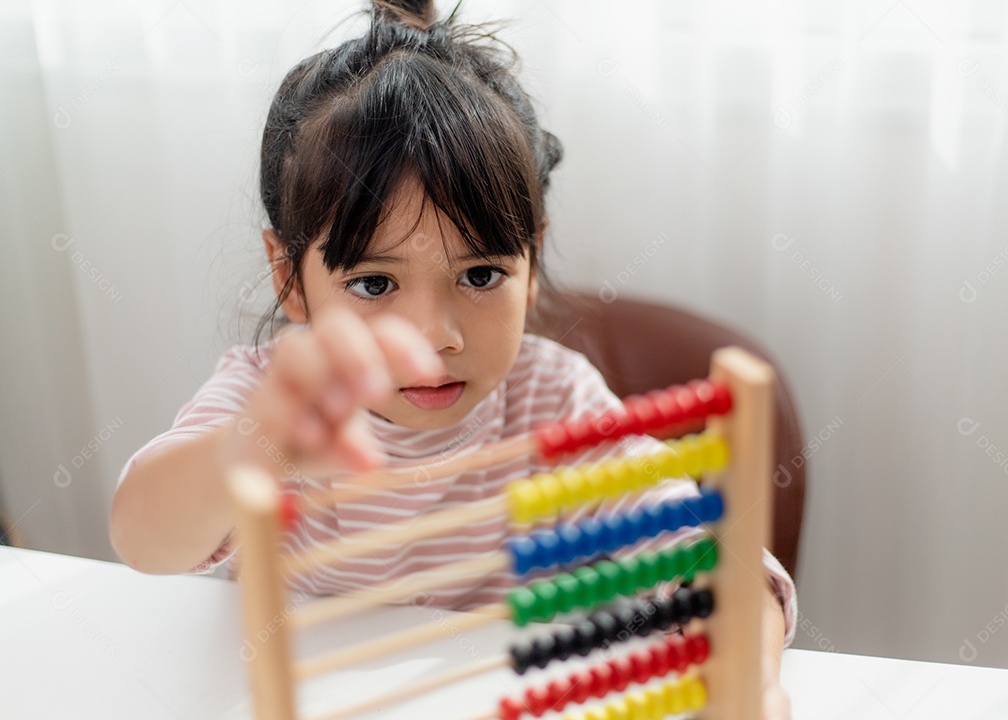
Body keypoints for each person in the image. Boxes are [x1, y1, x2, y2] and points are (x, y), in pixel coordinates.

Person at [109, 0, 795, 715]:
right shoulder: (271, 401)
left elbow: (709, 558)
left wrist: (751, 678)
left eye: (480, 276)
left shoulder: (551, 400)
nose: (436, 336)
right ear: (290, 279)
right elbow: (142, 538)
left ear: (531, 264)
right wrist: (246, 453)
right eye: (374, 283)